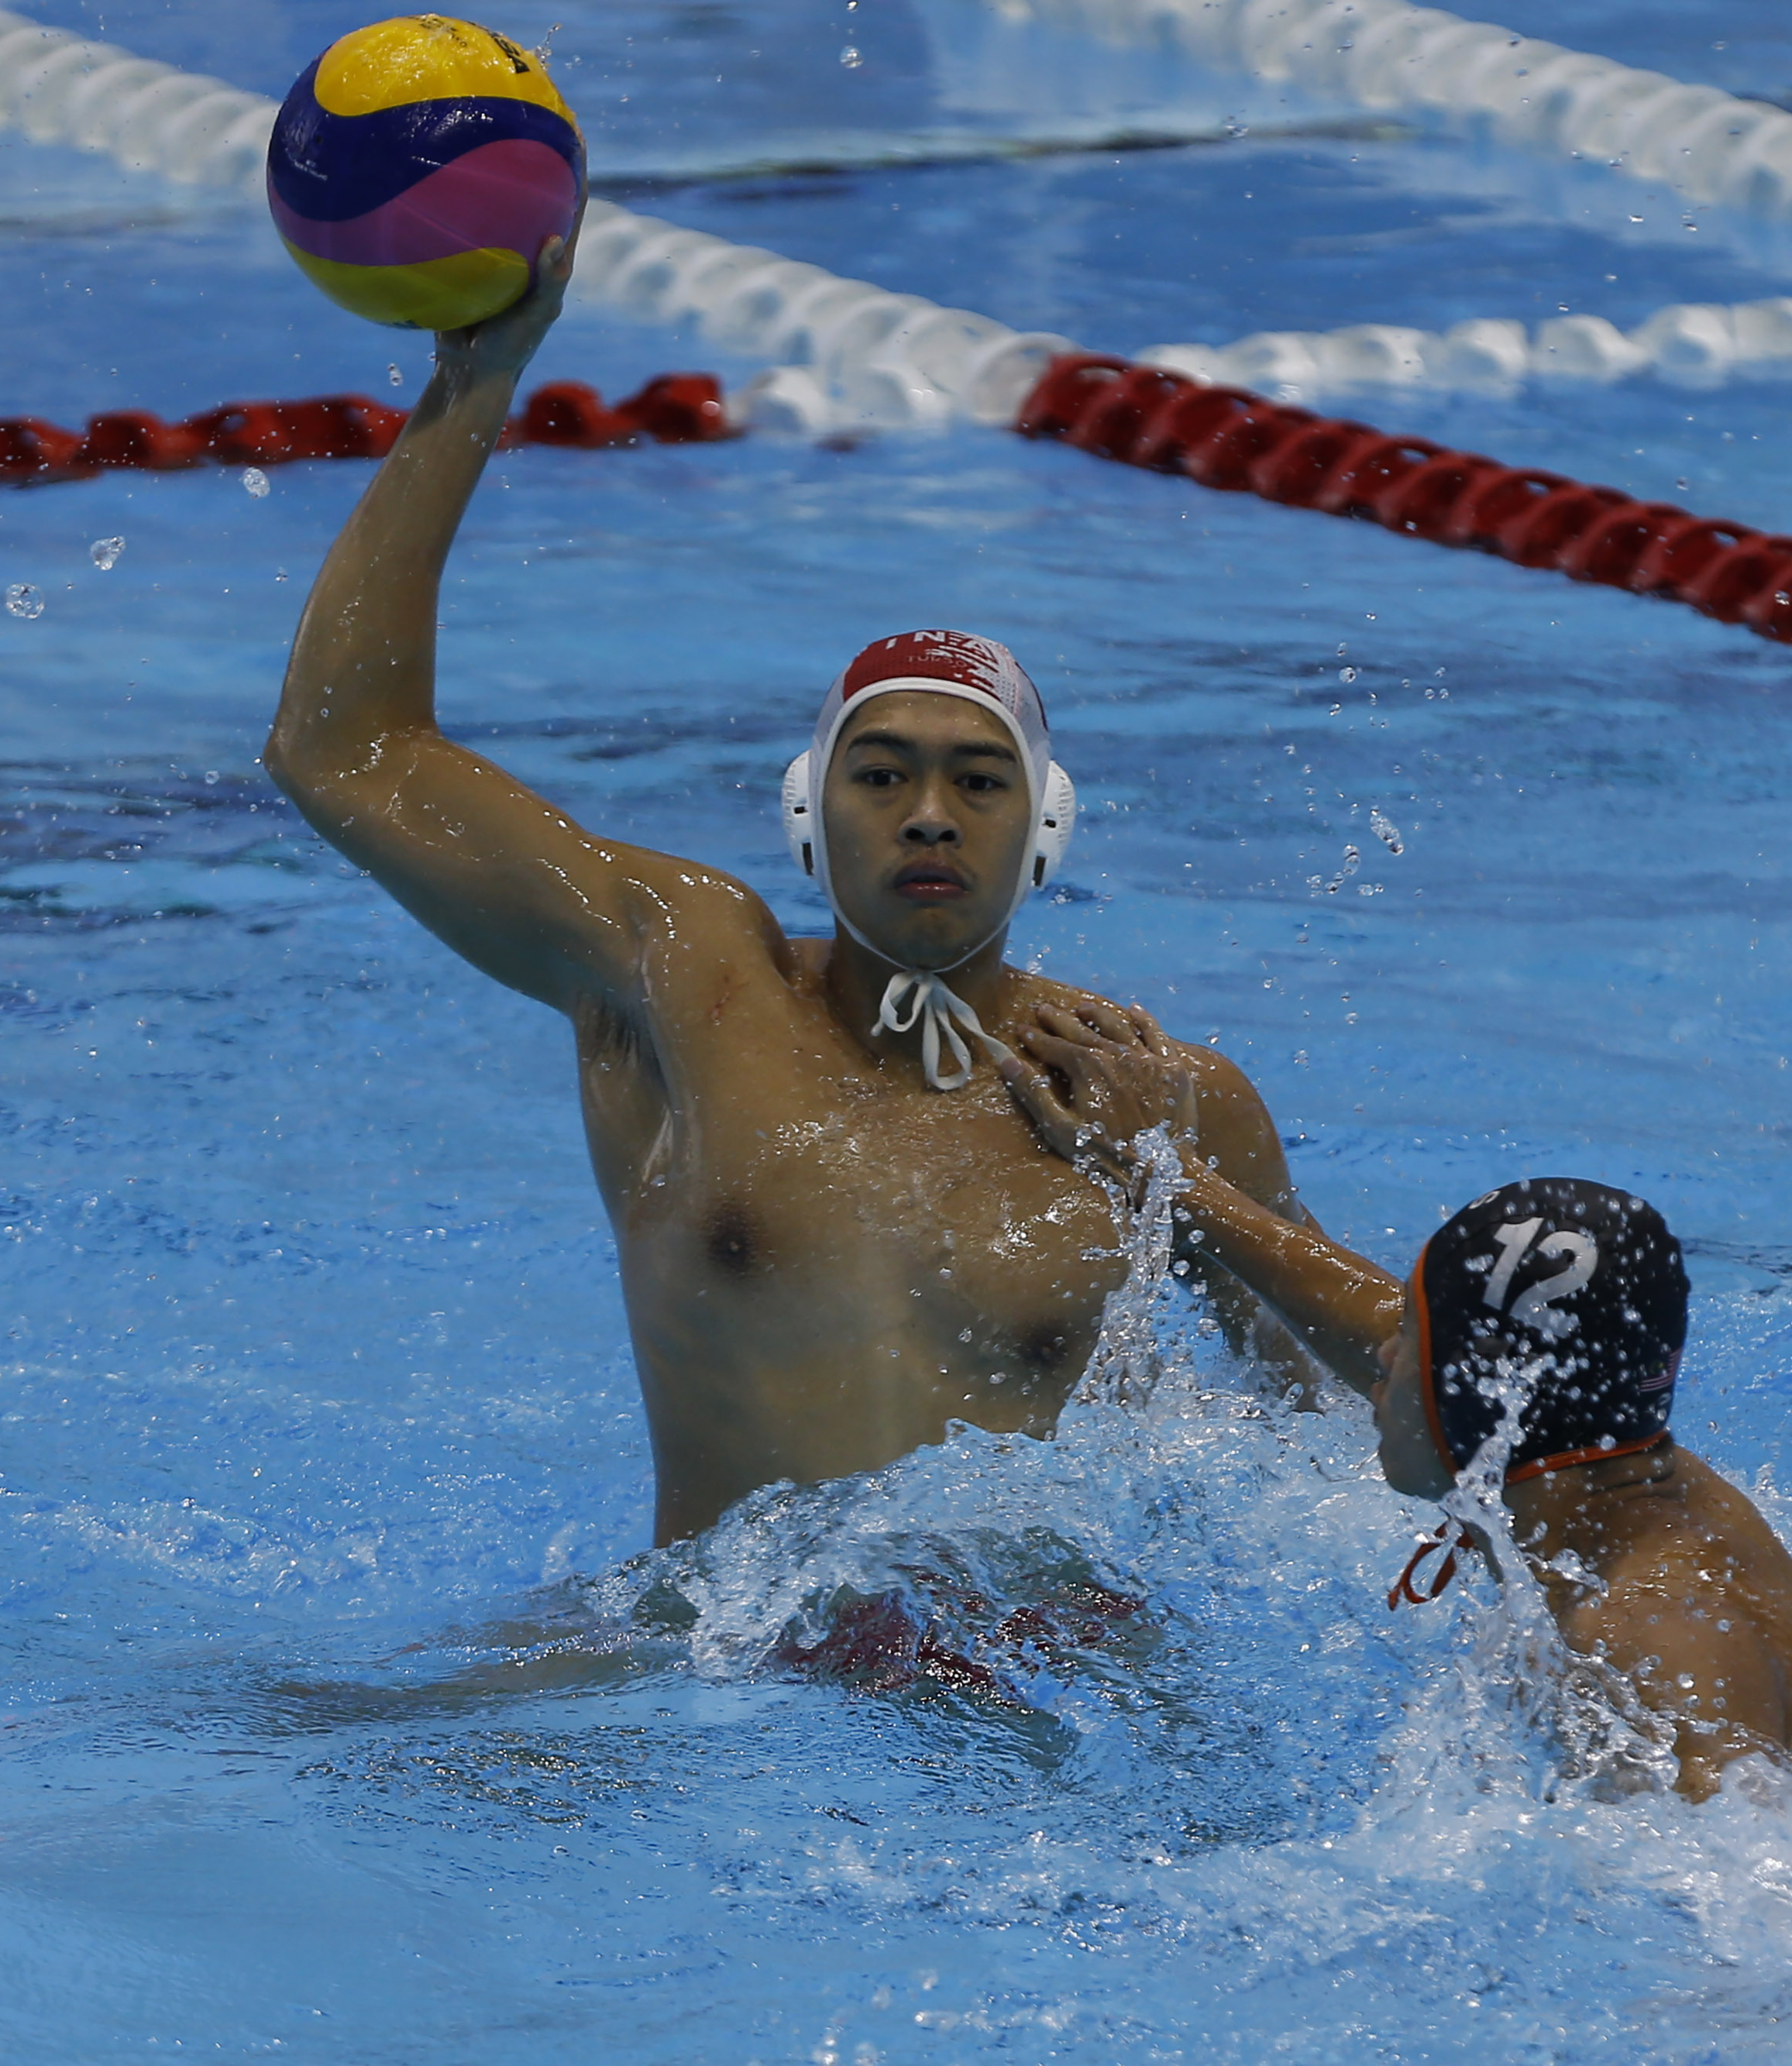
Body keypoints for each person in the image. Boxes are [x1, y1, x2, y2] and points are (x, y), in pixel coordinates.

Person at [264, 227, 1309, 1545]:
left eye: (979, 782)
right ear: (807, 815)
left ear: (1045, 827)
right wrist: (476, 386)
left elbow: (1355, 1425)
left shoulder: (1157, 1091)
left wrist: (1185, 1189)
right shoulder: (686, 979)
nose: (929, 814)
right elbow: (342, 751)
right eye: (880, 775)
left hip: (1033, 1664)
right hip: (720, 1661)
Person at [1006, 1017, 1792, 1800]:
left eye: (1410, 1342)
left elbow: (1760, 1880)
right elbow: (1387, 1328)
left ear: (1483, 1394)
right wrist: (1176, 1179)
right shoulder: (1618, 1460)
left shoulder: (1637, 1632)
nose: (1379, 1355)